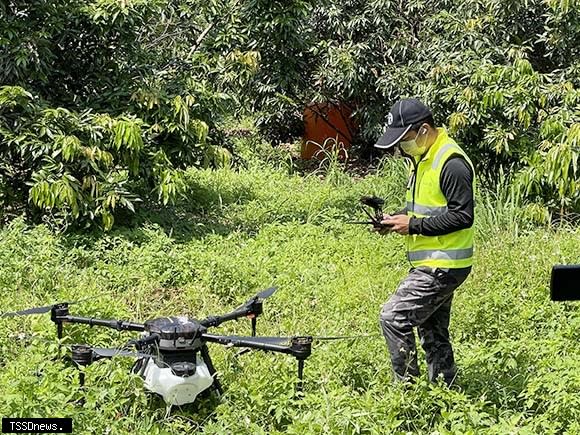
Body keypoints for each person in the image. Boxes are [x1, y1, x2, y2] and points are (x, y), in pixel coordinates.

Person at [374, 98, 475, 386]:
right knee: (433, 331)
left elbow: (462, 216)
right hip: (435, 261)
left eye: (403, 139)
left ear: (423, 130)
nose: (401, 147)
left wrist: (414, 225)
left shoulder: (451, 163)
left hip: (443, 264)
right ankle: (446, 387)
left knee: (393, 317)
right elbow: (427, 208)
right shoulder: (422, 158)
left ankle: (408, 391)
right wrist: (398, 219)